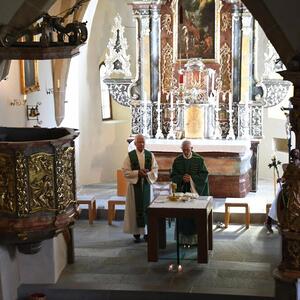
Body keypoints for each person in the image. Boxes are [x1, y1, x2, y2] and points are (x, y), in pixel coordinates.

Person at [171, 140, 209, 246]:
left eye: (188, 149)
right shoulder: (177, 160)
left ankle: (195, 240)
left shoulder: (199, 160)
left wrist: (191, 179)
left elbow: (204, 175)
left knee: (194, 216)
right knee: (183, 217)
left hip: (194, 193)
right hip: (182, 193)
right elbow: (173, 175)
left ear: (192, 148)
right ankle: (182, 240)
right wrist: (182, 178)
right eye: (184, 150)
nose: (186, 152)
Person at [123, 134, 158, 243]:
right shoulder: (130, 156)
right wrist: (138, 173)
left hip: (147, 185)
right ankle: (136, 232)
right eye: (139, 142)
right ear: (135, 143)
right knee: (135, 209)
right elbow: (125, 171)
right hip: (135, 187)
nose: (141, 144)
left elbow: (155, 169)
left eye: (143, 142)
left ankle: (147, 232)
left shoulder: (150, 155)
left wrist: (147, 174)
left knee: (147, 209)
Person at [265, 148, 300, 233]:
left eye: (297, 153)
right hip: (290, 186)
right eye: (294, 153)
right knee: (282, 197)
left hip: (298, 186)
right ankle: (285, 223)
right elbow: (285, 176)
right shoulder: (290, 166)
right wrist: (281, 179)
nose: (296, 155)